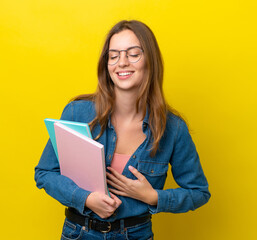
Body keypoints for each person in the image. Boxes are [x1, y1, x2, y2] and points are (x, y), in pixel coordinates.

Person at [35, 20, 210, 240]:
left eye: (133, 54)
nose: (122, 63)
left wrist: (153, 196)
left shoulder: (172, 128)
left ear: (150, 61)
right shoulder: (77, 113)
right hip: (79, 233)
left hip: (136, 234)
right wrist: (85, 198)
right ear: (106, 64)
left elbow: (198, 192)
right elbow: (44, 173)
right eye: (114, 55)